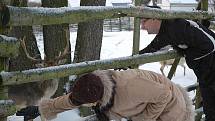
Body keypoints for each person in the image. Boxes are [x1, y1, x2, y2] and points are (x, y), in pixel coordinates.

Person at [17, 69, 194, 121]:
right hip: (147, 105)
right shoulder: (93, 87)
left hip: (172, 109)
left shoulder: (130, 87)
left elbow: (164, 94)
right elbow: (73, 100)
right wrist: (42, 109)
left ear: (98, 100)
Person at [139, 5, 215, 121]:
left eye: (144, 21)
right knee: (209, 100)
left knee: (210, 101)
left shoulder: (174, 28)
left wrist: (190, 55)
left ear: (155, 18)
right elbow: (151, 49)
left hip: (210, 64)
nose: (142, 26)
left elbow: (209, 45)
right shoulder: (168, 29)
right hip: (206, 66)